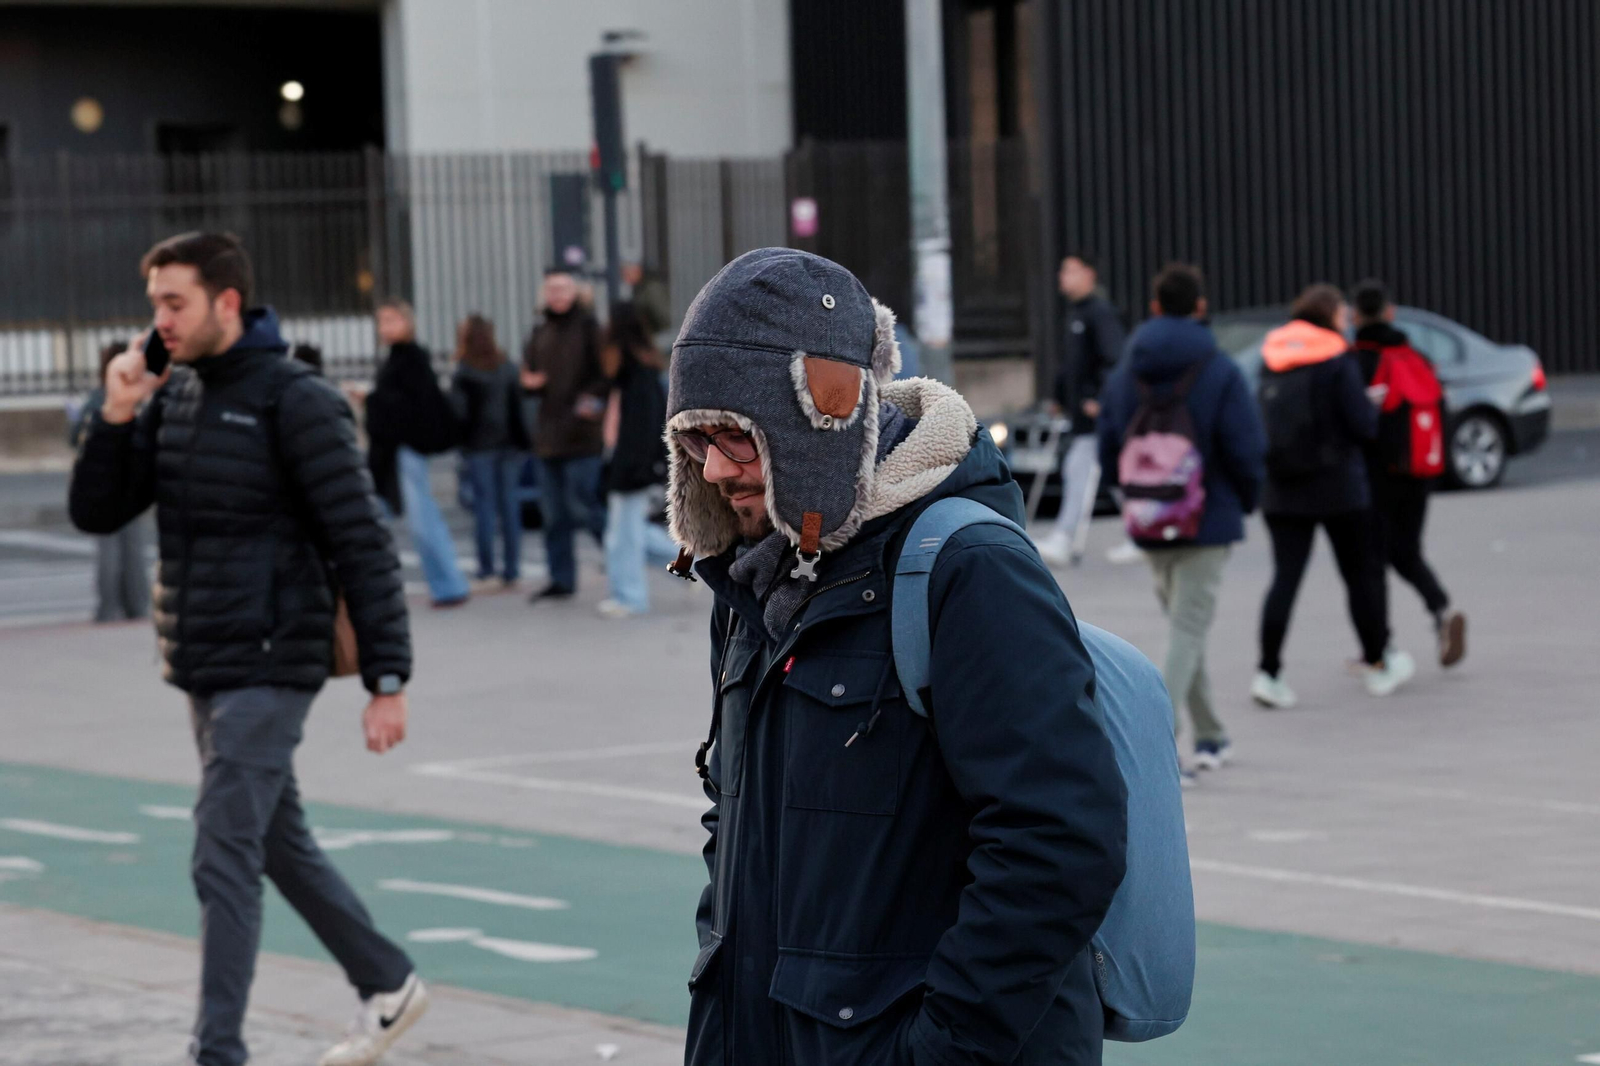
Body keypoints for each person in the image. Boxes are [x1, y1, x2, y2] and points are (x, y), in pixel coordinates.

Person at [666, 249, 1127, 1065]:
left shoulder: (968, 568)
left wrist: (938, 1051)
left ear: (817, 419)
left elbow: (1059, 842)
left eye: (736, 438)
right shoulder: (754, 577)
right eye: (696, 440)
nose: (712, 469)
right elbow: (736, 830)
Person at [67, 232, 428, 1066]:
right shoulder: (176, 390)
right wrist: (118, 410)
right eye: (155, 303)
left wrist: (388, 677)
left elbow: (360, 538)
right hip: (206, 658)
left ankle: (216, 1053)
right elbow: (98, 513)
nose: (159, 321)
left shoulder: (293, 397)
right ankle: (387, 980)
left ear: (227, 301)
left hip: (275, 656)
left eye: (174, 303)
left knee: (221, 847)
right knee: (271, 839)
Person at [1099, 264, 1265, 777]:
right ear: (1199, 306)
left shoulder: (1129, 369)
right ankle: (1155, 746)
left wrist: (1128, 491)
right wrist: (1246, 497)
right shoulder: (1219, 368)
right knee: (1189, 630)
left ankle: (1211, 734)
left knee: (1182, 628)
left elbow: (1108, 438)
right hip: (1205, 517)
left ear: (1153, 307)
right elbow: (1245, 444)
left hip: (1149, 516)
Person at [1254, 283, 1413, 706]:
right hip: (1338, 486)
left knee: (1284, 579)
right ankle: (1378, 664)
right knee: (1359, 575)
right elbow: (1362, 425)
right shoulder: (1336, 356)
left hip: (1282, 488)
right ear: (1329, 314)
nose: (1346, 317)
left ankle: (1268, 673)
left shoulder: (1272, 355)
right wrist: (1370, 406)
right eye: (1342, 311)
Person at [1351, 279, 1467, 667]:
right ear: (1390, 311)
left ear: (1354, 315)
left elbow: (1355, 422)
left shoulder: (1356, 360)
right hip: (1419, 471)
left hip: (1375, 476)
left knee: (1372, 562)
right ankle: (1440, 608)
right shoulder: (1414, 356)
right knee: (1407, 551)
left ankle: (1380, 649)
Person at [364, 299, 470, 608]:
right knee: (407, 518)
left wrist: (372, 399)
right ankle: (443, 584)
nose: (386, 327)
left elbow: (414, 407)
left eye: (392, 320)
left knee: (422, 519)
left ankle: (448, 584)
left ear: (408, 323)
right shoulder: (397, 358)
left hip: (407, 448)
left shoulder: (411, 359)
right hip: (396, 449)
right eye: (382, 321)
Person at [521, 267, 608, 601]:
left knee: (584, 507)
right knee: (554, 515)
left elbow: (605, 377)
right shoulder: (539, 330)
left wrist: (585, 406)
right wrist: (529, 383)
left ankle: (622, 562)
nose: (556, 295)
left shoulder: (589, 328)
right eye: (551, 289)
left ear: (575, 292)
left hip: (581, 438)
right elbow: (528, 374)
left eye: (562, 288)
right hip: (548, 438)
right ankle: (561, 579)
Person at [1040, 250, 1127, 566]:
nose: (1064, 277)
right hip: (1082, 412)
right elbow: (1071, 366)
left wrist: (1101, 399)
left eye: (1071, 271)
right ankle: (1142, 532)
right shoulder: (1075, 314)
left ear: (1089, 274)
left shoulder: (1099, 313)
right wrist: (1060, 397)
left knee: (1081, 470)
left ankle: (1065, 537)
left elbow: (1114, 360)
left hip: (1097, 413)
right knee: (1112, 475)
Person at [597, 301, 676, 617]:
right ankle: (694, 566)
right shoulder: (636, 372)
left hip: (631, 468)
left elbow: (641, 429)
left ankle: (630, 597)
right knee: (626, 534)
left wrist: (633, 467)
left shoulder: (636, 374)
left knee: (624, 537)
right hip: (629, 466)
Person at [70, 340, 153, 623]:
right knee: (133, 549)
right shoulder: (140, 395)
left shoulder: (97, 398)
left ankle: (109, 608)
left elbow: (74, 437)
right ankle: (137, 605)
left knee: (109, 549)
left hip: (105, 480)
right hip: (132, 479)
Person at [449, 314, 529, 588]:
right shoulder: (506, 366)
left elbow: (458, 414)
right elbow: (518, 407)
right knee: (509, 507)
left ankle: (486, 570)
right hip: (508, 445)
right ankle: (512, 570)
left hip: (478, 446)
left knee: (484, 508)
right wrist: (522, 441)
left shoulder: (464, 370)